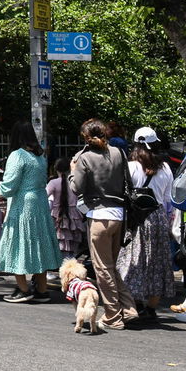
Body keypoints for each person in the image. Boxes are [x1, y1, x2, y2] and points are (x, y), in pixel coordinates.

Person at [69, 119, 138, 324]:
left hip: (99, 216)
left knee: (102, 268)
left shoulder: (85, 158)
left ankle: (113, 316)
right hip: (119, 216)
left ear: (86, 137)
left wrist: (73, 170)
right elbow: (128, 182)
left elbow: (76, 188)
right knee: (110, 266)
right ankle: (129, 308)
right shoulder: (119, 153)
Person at [0, 121, 61, 303]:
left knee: (18, 242)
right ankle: (42, 291)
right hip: (40, 203)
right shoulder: (40, 157)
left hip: (23, 204)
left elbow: (9, 185)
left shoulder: (17, 155)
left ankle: (23, 289)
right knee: (38, 244)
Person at [118, 127, 177, 319]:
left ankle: (134, 303)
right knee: (157, 263)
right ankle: (151, 308)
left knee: (133, 261)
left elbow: (123, 193)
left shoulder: (130, 166)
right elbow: (169, 198)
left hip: (137, 218)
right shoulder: (166, 167)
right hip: (158, 216)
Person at [46, 158, 85, 259]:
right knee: (73, 246)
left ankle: (61, 267)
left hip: (57, 215)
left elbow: (44, 196)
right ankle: (71, 268)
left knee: (58, 243)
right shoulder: (75, 182)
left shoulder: (53, 183)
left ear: (55, 169)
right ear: (69, 169)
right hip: (74, 215)